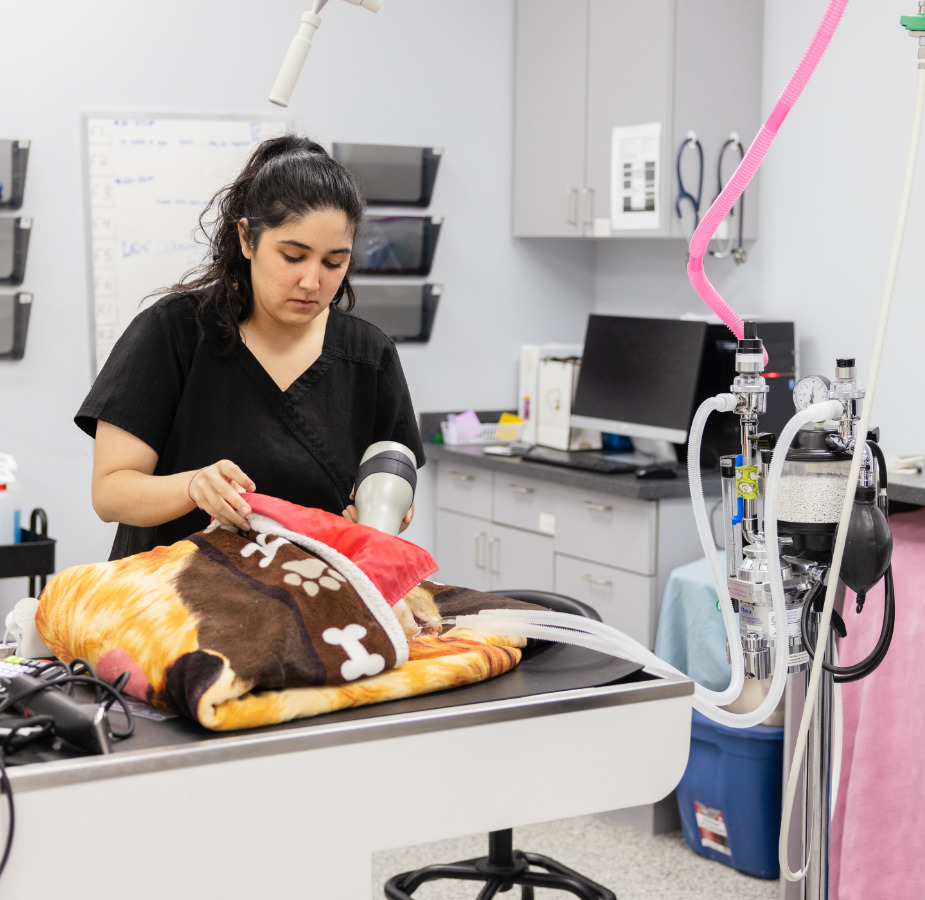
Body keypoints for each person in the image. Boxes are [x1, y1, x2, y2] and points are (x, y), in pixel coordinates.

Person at [76, 135, 425, 560]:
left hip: (313, 606)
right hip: (171, 605)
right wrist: (191, 487)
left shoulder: (369, 357)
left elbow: (388, 488)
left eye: (334, 262)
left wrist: (374, 519)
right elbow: (109, 493)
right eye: (293, 256)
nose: (313, 282)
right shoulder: (174, 333)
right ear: (247, 238)